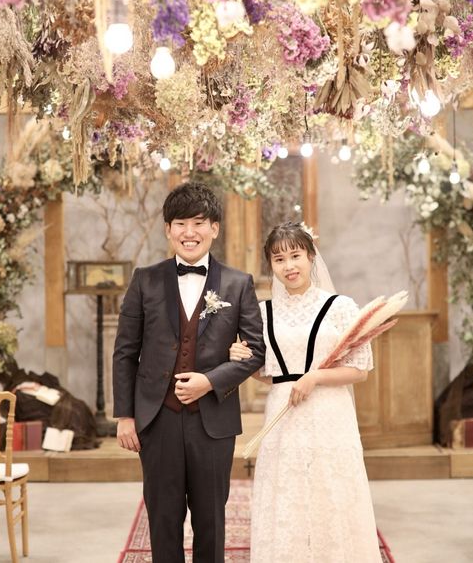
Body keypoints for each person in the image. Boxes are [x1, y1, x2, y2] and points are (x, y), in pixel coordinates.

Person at [112, 181, 265, 563]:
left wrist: (209, 381)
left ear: (215, 228)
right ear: (168, 229)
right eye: (180, 223)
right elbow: (125, 352)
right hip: (157, 418)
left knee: (211, 520)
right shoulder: (145, 279)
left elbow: (255, 352)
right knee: (163, 518)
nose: (189, 232)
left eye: (198, 223)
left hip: (213, 422)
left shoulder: (238, 283)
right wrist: (125, 416)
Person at [229, 222, 382, 563]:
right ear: (271, 265)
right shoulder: (262, 312)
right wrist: (241, 360)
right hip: (283, 412)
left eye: (295, 255)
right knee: (287, 494)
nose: (289, 266)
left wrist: (315, 378)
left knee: (331, 492)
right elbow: (270, 374)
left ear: (312, 256)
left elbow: (360, 369)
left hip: (330, 414)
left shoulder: (341, 307)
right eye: (279, 259)